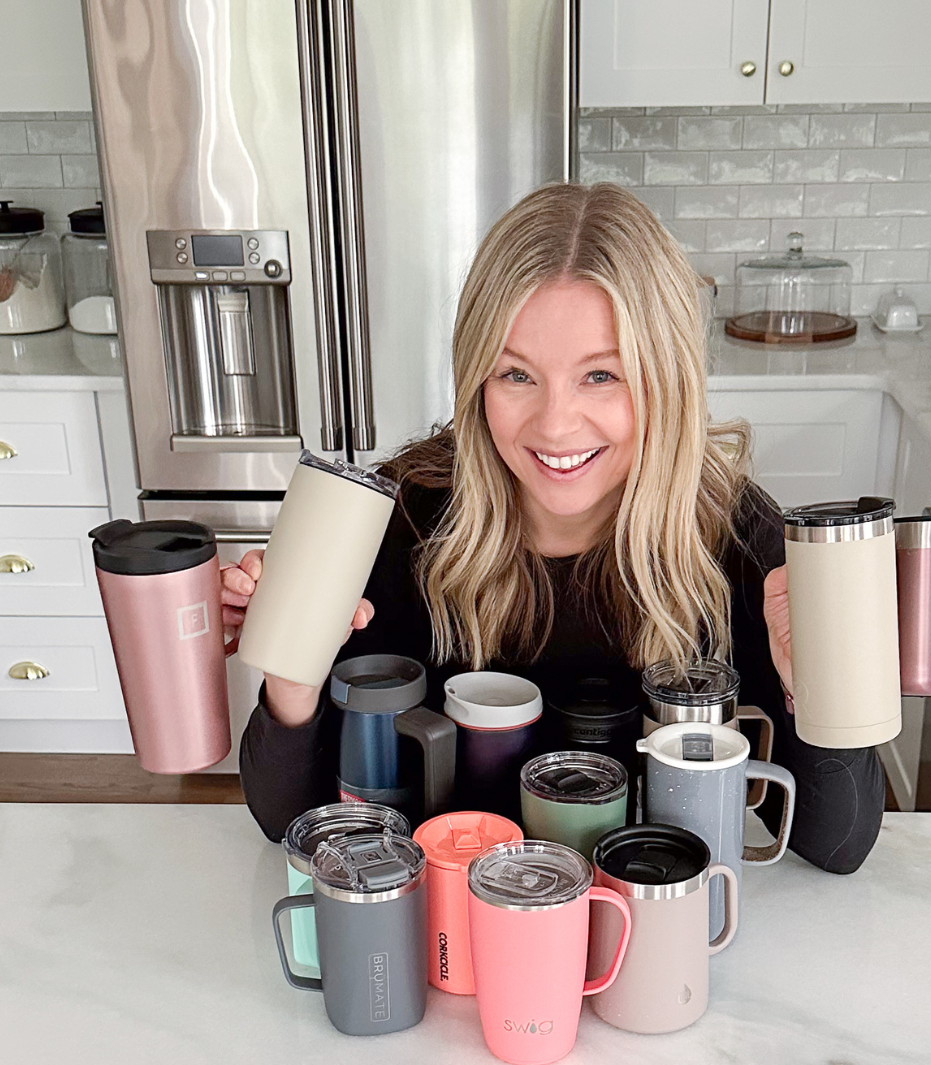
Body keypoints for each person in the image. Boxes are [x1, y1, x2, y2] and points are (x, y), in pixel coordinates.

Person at [224, 181, 884, 871]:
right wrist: (292, 669)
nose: (555, 424)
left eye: (600, 376)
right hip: (449, 922)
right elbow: (287, 820)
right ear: (476, 378)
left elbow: (838, 845)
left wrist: (816, 683)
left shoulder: (740, 539)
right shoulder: (397, 521)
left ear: (667, 379)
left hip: (657, 930)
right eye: (516, 375)